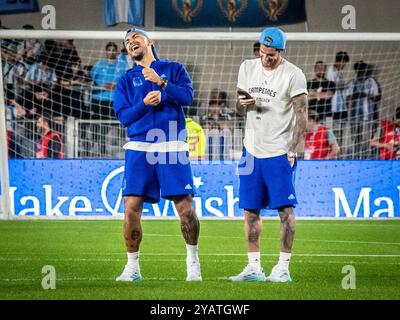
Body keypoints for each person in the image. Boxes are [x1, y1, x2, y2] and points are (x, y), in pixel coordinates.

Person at [113, 28, 201, 282]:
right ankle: (133, 268)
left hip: (171, 144)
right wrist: (144, 104)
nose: (131, 44)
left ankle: (193, 263)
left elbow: (187, 97)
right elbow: (124, 118)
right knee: (131, 208)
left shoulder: (173, 68)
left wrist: (162, 82)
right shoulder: (125, 80)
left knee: (185, 209)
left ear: (149, 41)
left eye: (135, 39)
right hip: (139, 147)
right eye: (127, 42)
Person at [231, 27, 308, 283]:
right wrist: (242, 105)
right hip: (251, 149)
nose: (266, 58)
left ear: (281, 52)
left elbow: (301, 115)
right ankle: (254, 267)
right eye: (263, 53)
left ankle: (283, 268)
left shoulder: (294, 75)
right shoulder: (247, 67)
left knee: (285, 211)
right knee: (250, 211)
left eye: (272, 55)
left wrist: (294, 149)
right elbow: (238, 109)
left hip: (279, 152)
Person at [346, 61, 379, 159]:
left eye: (363, 69)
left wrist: (366, 95)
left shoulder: (371, 81)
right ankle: (356, 156)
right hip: (355, 115)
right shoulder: (352, 82)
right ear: (356, 71)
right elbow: (348, 98)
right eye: (359, 69)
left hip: (368, 115)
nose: (361, 71)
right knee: (356, 137)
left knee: (367, 136)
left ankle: (367, 157)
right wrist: (358, 95)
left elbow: (377, 97)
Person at [91, 42, 128, 119]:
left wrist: (116, 85)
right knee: (97, 125)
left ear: (116, 51)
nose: (111, 52)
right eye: (109, 50)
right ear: (106, 51)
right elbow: (91, 80)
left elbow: (126, 81)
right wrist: (103, 85)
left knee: (112, 124)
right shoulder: (98, 65)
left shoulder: (122, 65)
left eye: (113, 50)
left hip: (114, 100)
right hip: (98, 99)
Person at [326, 51, 350, 145]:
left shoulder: (339, 72)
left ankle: (339, 150)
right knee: (333, 130)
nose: (344, 65)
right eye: (344, 63)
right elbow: (331, 87)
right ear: (341, 61)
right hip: (334, 107)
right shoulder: (331, 71)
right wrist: (344, 86)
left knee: (340, 130)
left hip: (342, 106)